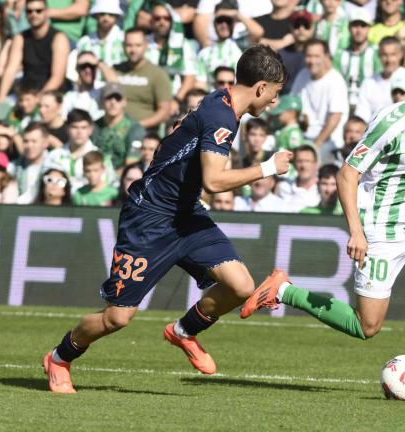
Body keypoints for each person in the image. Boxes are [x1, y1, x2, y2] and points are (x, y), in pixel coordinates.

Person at [241, 53, 405, 403]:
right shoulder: (392, 122)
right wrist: (356, 231)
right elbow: (347, 174)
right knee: (366, 327)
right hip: (381, 233)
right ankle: (284, 290)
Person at [42, 45, 293, 394]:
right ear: (261, 87)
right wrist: (269, 167)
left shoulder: (222, 103)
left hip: (185, 214)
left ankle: (183, 331)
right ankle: (59, 357)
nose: (274, 102)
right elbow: (214, 181)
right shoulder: (221, 117)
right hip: (149, 219)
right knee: (117, 318)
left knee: (241, 286)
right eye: (275, 93)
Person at [0, 0, 70, 101]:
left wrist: (37, 100)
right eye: (29, 11)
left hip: (53, 96)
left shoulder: (59, 38)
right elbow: (10, 70)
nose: (33, 14)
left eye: (38, 11)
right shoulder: (20, 38)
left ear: (47, 12)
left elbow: (57, 78)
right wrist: (0, 99)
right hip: (27, 95)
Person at [291, 39, 348, 163]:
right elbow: (292, 105)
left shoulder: (335, 80)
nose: (312, 61)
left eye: (316, 56)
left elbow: (335, 118)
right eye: (308, 56)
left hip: (327, 142)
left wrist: (316, 145)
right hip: (303, 137)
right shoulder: (303, 75)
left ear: (326, 57)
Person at [112, 28, 173, 131]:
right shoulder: (114, 71)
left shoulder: (157, 74)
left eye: (138, 45)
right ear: (123, 46)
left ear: (146, 45)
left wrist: (138, 126)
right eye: (129, 45)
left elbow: (164, 110)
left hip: (145, 132)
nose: (133, 50)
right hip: (114, 129)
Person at [355, 36, 405, 123]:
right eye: (384, 55)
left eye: (393, 54)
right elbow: (362, 115)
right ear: (378, 55)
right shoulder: (368, 83)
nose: (389, 60)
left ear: (401, 55)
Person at [145, 3, 197, 114]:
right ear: (151, 21)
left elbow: (190, 78)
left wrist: (176, 101)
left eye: (167, 18)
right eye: (157, 18)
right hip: (146, 100)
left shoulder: (183, 44)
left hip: (173, 100)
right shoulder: (142, 43)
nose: (162, 22)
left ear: (172, 21)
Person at [45, 108, 114, 191]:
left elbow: (107, 188)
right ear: (67, 128)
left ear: (90, 129)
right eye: (74, 127)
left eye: (83, 127)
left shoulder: (101, 158)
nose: (79, 132)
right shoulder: (54, 157)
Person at [93, 82, 147, 174]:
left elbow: (132, 164)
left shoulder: (135, 129)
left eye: (118, 98)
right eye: (108, 98)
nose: (113, 102)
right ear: (101, 101)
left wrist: (110, 178)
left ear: (124, 102)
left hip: (121, 179)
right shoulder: (93, 126)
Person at [333, 8, 381, 109]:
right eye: (355, 25)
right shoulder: (340, 54)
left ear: (369, 28)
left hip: (369, 106)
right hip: (343, 105)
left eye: (363, 26)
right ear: (349, 28)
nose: (358, 31)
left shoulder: (377, 53)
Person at [195, 7, 243, 90]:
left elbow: (257, 32)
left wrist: (236, 14)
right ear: (214, 25)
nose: (224, 25)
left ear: (233, 24)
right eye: (220, 21)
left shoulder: (243, 49)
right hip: (211, 98)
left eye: (228, 21)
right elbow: (200, 84)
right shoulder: (204, 54)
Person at [74, 0, 125, 69]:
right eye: (102, 14)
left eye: (111, 14)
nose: (106, 18)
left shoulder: (125, 40)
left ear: (117, 17)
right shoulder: (84, 42)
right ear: (96, 16)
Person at [7, 122, 49, 204]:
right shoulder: (13, 167)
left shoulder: (55, 165)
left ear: (45, 143)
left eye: (34, 141)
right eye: (26, 141)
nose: (29, 146)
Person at [276, 144, 320, 212]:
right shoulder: (283, 187)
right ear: (294, 164)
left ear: (315, 164)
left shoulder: (323, 189)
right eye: (299, 161)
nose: (303, 166)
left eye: (307, 161)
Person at [279, 10, 314, 94]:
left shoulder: (320, 53)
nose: (301, 29)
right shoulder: (282, 54)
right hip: (286, 101)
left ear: (312, 28)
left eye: (306, 25)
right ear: (291, 28)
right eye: (297, 25)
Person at [62, 51, 104, 121]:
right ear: (77, 69)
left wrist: (98, 62)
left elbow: (118, 86)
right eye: (83, 66)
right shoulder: (69, 97)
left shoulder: (103, 89)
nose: (88, 70)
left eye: (91, 66)